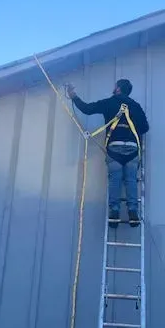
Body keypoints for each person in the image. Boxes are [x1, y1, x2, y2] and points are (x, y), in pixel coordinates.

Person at [67, 79, 149, 227]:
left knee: (115, 180)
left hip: (114, 149)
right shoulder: (135, 106)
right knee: (130, 180)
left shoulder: (109, 103)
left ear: (118, 89)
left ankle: (115, 212)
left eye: (115, 86)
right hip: (132, 149)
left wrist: (74, 96)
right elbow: (145, 127)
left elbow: (87, 109)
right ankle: (132, 212)